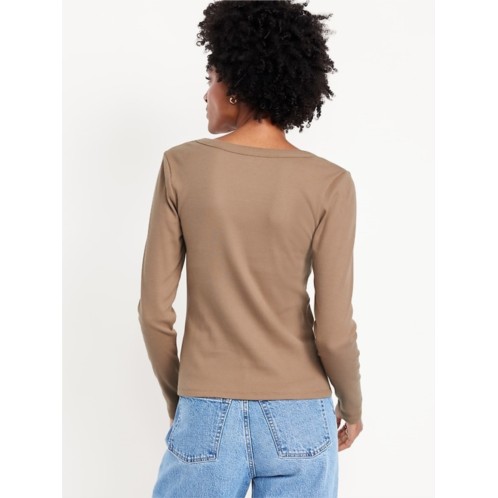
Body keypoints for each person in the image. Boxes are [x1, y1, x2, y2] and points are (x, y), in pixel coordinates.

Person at [138, 1, 363, 496]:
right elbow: (333, 331)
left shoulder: (181, 166)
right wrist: (351, 404)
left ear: (237, 84)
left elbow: (154, 313)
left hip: (205, 405)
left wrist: (186, 400)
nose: (206, 92)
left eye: (211, 77)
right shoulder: (331, 183)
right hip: (301, 415)